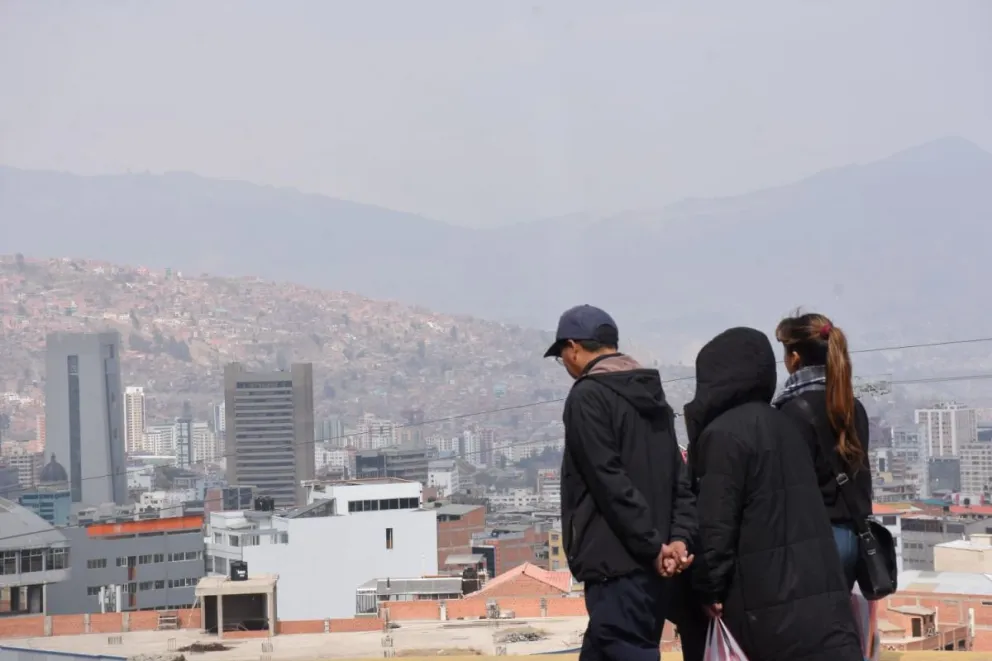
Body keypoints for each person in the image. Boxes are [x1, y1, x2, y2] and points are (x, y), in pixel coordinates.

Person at [683, 326, 863, 661]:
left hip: (763, 605)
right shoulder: (784, 422)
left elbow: (715, 528)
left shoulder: (723, 435)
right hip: (817, 599)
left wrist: (708, 589)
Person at [545, 304, 697, 661]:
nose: (564, 363)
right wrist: (678, 540)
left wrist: (653, 547)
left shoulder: (587, 396)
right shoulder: (650, 394)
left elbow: (609, 482)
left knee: (627, 648)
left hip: (616, 566)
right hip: (653, 568)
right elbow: (679, 478)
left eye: (562, 354)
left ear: (573, 347)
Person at [773, 312, 872, 592]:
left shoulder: (792, 411)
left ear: (794, 358)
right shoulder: (853, 406)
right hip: (853, 537)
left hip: (813, 540)